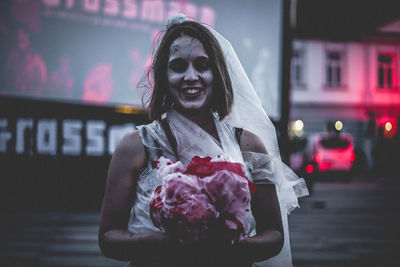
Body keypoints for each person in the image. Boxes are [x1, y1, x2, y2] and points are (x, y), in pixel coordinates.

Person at [99, 14, 307, 267]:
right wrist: (167, 243)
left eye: (202, 64)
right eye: (177, 66)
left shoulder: (250, 146)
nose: (190, 76)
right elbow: (108, 237)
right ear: (164, 76)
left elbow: (274, 235)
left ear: (217, 72)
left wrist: (227, 245)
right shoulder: (134, 146)